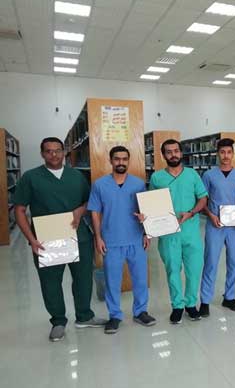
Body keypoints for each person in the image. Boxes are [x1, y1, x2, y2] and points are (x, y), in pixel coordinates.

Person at [14, 137, 106, 342]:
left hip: (79, 237)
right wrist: (31, 239)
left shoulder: (77, 176)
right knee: (50, 281)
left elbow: (89, 202)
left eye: (58, 150)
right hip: (46, 240)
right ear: (42, 154)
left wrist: (80, 210)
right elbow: (19, 210)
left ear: (64, 152)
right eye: (49, 151)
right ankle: (58, 321)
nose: (54, 154)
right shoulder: (31, 178)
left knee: (83, 278)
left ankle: (84, 316)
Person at [88, 146, 156, 334]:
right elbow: (95, 212)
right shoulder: (100, 185)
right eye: (117, 159)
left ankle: (140, 312)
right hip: (111, 240)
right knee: (112, 281)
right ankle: (115, 315)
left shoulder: (138, 184)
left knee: (140, 279)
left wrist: (146, 233)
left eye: (124, 159)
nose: (121, 162)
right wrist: (98, 237)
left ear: (128, 161)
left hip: (136, 238)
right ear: (111, 161)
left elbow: (146, 211)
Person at [148, 139, 208, 323]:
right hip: (169, 234)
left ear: (181, 153)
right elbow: (151, 204)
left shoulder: (192, 175)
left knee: (194, 270)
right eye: (168, 152)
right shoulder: (157, 178)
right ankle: (177, 306)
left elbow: (203, 198)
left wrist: (192, 212)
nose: (173, 154)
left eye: (176, 151)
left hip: (191, 232)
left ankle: (191, 304)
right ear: (163, 155)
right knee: (173, 270)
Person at [199, 138, 235, 317]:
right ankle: (205, 300)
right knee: (211, 262)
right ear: (217, 154)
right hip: (215, 224)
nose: (226, 156)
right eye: (222, 152)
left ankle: (229, 296)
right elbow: (202, 201)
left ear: (233, 154)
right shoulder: (208, 175)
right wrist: (210, 215)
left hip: (232, 226)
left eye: (229, 152)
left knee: (234, 262)